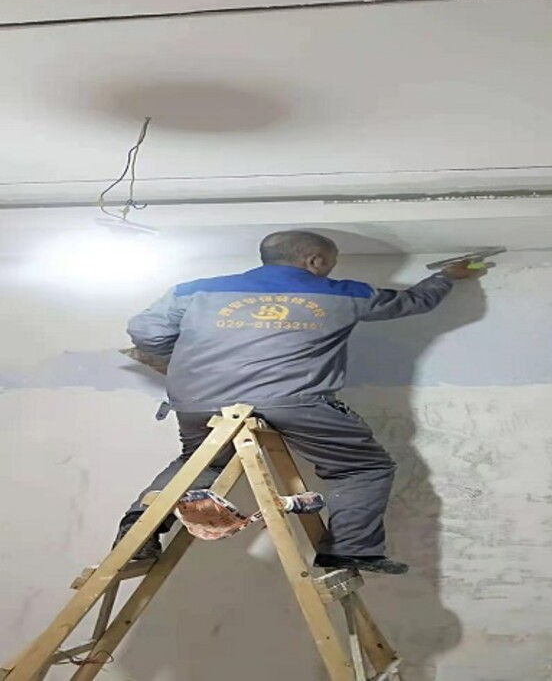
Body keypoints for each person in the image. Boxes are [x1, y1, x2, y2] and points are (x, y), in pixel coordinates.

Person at [114, 230, 482, 574]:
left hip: (199, 402)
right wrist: (447, 276)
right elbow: (413, 302)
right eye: (330, 263)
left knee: (199, 464)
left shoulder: (194, 291)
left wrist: (189, 361)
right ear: (314, 261)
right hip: (293, 401)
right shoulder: (344, 294)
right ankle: (349, 549)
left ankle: (137, 534)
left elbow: (144, 332)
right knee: (363, 468)